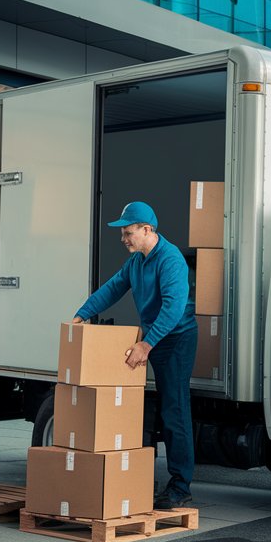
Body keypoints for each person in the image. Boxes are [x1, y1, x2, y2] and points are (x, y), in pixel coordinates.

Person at [72, 201, 198, 510]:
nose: (123, 239)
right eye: (123, 233)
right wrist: (82, 315)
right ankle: (140, 475)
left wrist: (146, 343)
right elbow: (113, 288)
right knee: (150, 411)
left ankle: (181, 486)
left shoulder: (170, 260)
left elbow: (173, 308)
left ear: (147, 230)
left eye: (128, 233)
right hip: (156, 338)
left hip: (176, 339)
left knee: (175, 410)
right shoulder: (137, 262)